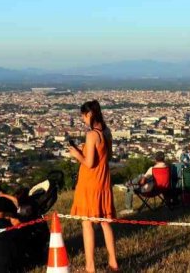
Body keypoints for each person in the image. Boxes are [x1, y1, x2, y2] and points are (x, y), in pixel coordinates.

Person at [68, 100, 119, 273]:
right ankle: (113, 262)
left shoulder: (91, 135)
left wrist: (76, 154)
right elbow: (107, 156)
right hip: (103, 180)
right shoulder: (107, 132)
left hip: (89, 182)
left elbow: (89, 163)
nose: (83, 119)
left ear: (89, 114)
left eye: (83, 116)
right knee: (105, 222)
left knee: (87, 222)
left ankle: (90, 266)